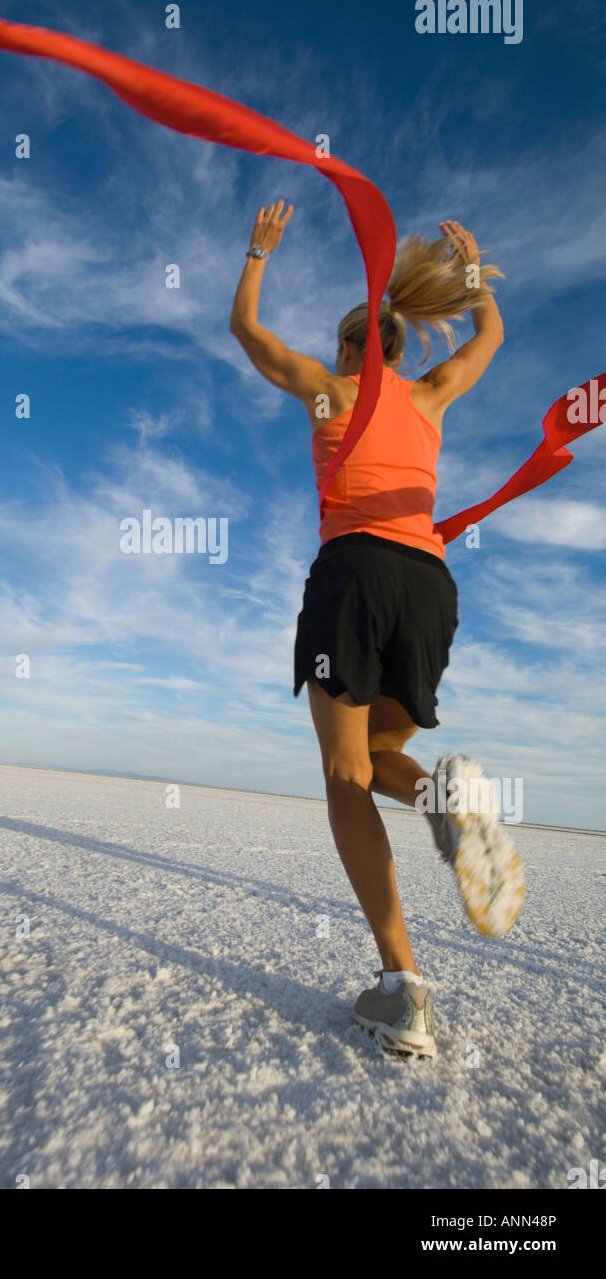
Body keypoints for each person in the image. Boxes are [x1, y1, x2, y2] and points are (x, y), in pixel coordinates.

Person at [229, 205, 525, 1059]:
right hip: (428, 585)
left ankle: (402, 988)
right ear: (399, 348)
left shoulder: (332, 391)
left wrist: (258, 251)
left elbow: (246, 331)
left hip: (354, 572)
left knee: (344, 772)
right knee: (386, 754)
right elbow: (490, 340)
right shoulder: (431, 398)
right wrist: (470, 281)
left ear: (356, 346)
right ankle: (446, 798)